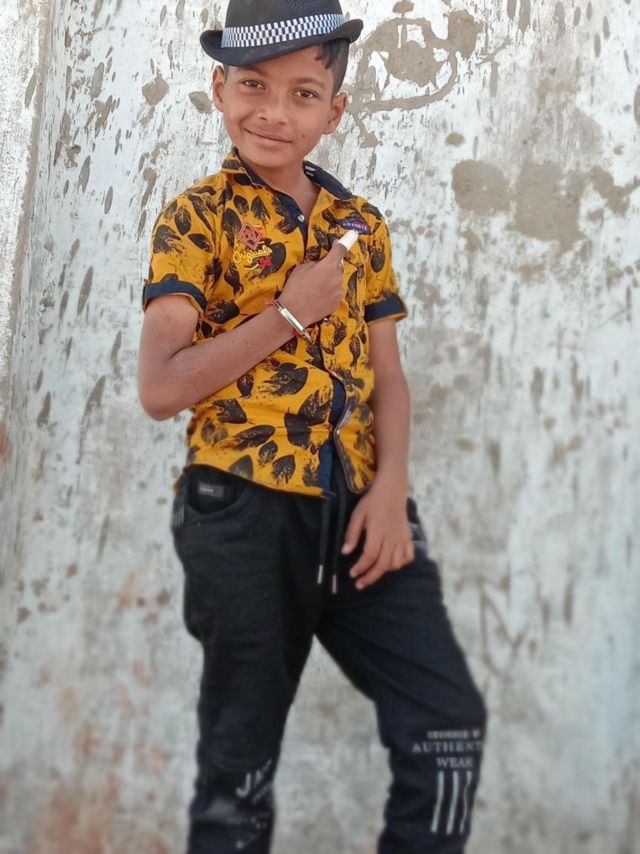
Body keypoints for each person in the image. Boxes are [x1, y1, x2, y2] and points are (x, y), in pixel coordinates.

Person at [137, 1, 488, 851]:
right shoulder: (196, 218)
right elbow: (161, 387)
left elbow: (389, 377)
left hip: (363, 508)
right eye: (253, 85)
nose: (273, 112)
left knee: (447, 724)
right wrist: (289, 315)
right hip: (244, 510)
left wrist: (392, 490)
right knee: (240, 773)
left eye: (302, 93)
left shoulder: (360, 227)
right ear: (220, 88)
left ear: (334, 110)